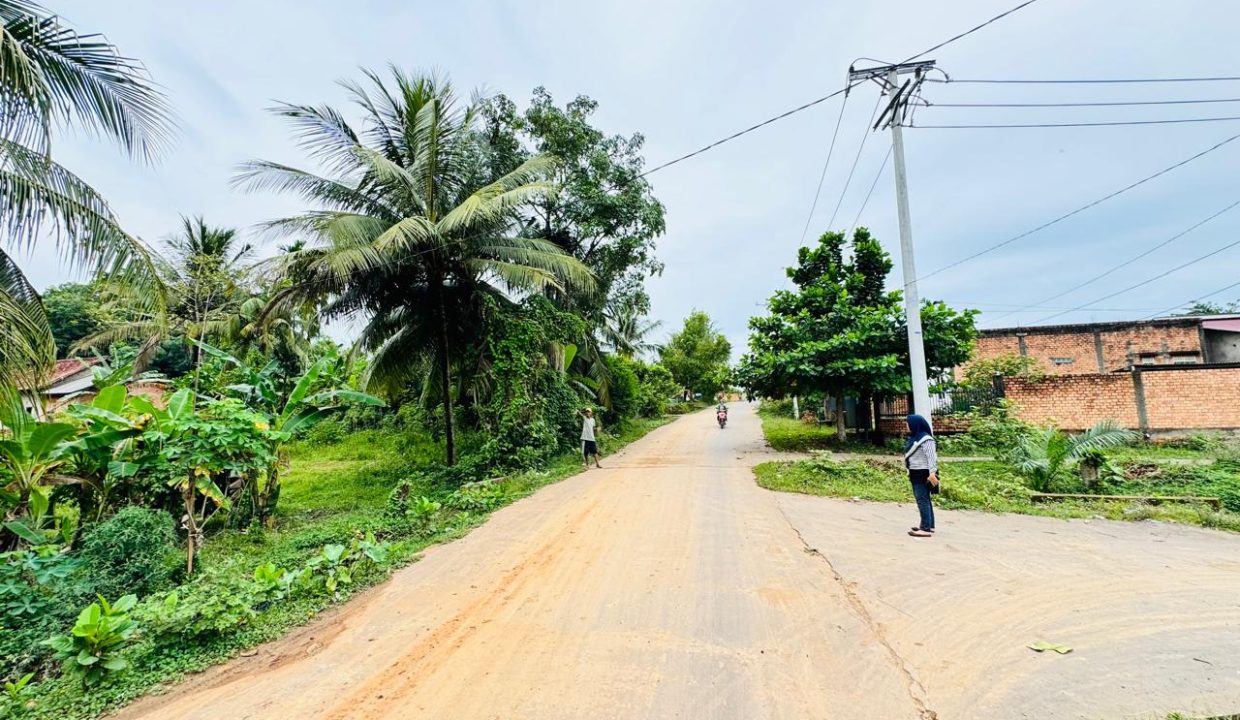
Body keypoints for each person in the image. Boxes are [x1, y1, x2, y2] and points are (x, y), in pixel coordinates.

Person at [904, 414, 938, 537]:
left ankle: (925, 528)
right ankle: (929, 525)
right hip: (915, 472)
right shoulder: (914, 437)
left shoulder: (926, 439)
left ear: (915, 424)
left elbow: (931, 457)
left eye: (908, 423)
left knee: (922, 499)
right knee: (925, 499)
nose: (906, 425)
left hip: (923, 473)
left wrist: (932, 473)